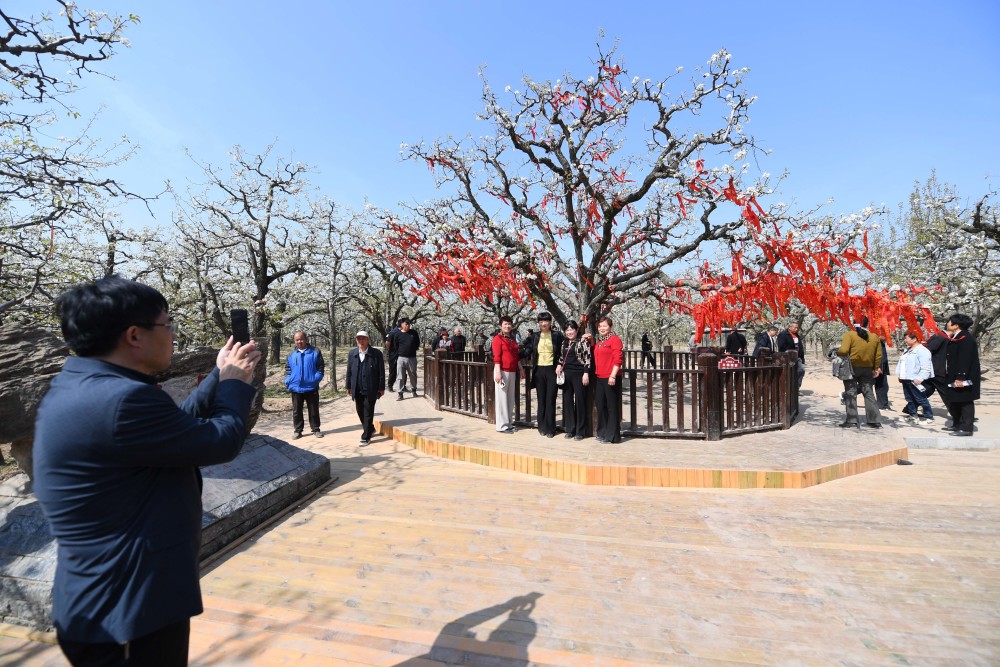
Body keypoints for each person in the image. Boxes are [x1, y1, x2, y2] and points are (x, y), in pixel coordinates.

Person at [33, 276, 260, 666]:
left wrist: (218, 377)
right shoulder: (122, 399)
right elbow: (219, 442)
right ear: (135, 336)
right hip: (128, 606)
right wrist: (236, 385)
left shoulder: (89, 384)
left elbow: (172, 432)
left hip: (110, 594)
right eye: (167, 325)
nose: (172, 336)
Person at [837, 316, 883, 429]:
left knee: (850, 393)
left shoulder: (850, 335)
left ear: (853, 324)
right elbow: (878, 355)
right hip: (867, 369)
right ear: (867, 324)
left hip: (851, 368)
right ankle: (874, 420)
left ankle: (852, 421)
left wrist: (836, 352)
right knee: (868, 393)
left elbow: (843, 350)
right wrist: (875, 368)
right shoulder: (874, 337)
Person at [940, 313, 981, 436]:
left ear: (956, 325)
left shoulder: (966, 339)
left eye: (949, 321)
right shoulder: (957, 337)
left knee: (965, 401)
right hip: (953, 375)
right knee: (955, 400)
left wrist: (960, 377)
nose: (947, 323)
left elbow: (965, 359)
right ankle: (957, 424)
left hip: (964, 376)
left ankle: (967, 428)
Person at [527, 311, 564, 437]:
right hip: (539, 370)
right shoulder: (535, 336)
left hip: (551, 370)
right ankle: (541, 426)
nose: (543, 323)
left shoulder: (557, 335)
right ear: (538, 323)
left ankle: (550, 428)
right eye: (541, 321)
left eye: (546, 321)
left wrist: (559, 364)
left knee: (550, 399)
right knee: (541, 399)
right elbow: (527, 349)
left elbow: (563, 351)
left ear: (550, 322)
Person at [345, 330, 385, 447]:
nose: (361, 341)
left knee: (368, 411)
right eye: (359, 339)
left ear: (368, 340)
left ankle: (366, 436)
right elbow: (349, 372)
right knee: (359, 410)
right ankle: (370, 428)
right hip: (357, 387)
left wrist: (381, 387)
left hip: (371, 387)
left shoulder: (376, 354)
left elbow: (381, 372)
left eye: (363, 338)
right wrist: (349, 386)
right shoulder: (352, 353)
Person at [556, 321, 594, 440]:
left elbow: (588, 359)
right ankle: (570, 429)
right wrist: (559, 365)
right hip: (567, 374)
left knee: (580, 402)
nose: (569, 332)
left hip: (579, 374)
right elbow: (562, 357)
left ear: (576, 330)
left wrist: (586, 373)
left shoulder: (582, 342)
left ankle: (580, 430)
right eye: (567, 330)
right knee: (567, 402)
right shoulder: (564, 342)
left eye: (571, 329)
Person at [284, 331, 325, 439]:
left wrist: (316, 378)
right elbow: (288, 369)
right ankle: (298, 430)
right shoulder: (291, 354)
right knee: (297, 411)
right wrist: (288, 380)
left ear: (306, 339)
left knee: (313, 410)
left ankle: (316, 429)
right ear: (294, 341)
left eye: (301, 339)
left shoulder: (315, 351)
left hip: (311, 387)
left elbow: (320, 367)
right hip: (296, 387)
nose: (299, 342)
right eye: (297, 340)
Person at [593, 316, 624, 443]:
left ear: (610, 327)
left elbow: (618, 359)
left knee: (612, 407)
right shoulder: (599, 342)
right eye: (600, 326)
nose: (602, 328)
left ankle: (612, 435)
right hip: (599, 377)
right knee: (601, 406)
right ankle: (603, 431)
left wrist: (613, 375)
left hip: (611, 377)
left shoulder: (614, 339)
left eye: (605, 326)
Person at [492, 315, 523, 434]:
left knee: (510, 399)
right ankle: (502, 425)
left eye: (509, 324)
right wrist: (498, 372)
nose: (508, 326)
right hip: (502, 371)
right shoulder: (497, 339)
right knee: (502, 399)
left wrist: (520, 368)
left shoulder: (512, 338)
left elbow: (516, 355)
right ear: (501, 325)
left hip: (512, 371)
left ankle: (509, 423)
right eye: (505, 324)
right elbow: (497, 357)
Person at [895, 331, 934, 421]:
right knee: (909, 398)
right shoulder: (907, 350)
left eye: (906, 338)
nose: (905, 340)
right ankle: (913, 415)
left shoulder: (923, 351)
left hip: (915, 378)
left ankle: (929, 416)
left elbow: (926, 367)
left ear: (914, 339)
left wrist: (920, 377)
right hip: (906, 378)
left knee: (920, 398)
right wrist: (901, 375)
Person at [391, 317, 420, 400]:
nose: (408, 326)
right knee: (400, 376)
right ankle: (400, 393)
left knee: (413, 375)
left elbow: (417, 343)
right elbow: (395, 346)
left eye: (409, 324)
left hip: (412, 358)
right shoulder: (397, 334)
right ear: (402, 324)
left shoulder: (414, 333)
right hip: (401, 358)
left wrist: (412, 349)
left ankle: (414, 390)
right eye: (406, 324)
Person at [777, 322, 805, 388]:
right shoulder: (783, 335)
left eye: (797, 327)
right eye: (795, 327)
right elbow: (781, 346)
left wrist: (802, 358)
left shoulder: (797, 335)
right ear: (789, 327)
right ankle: (787, 387)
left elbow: (800, 347)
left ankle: (796, 387)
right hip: (787, 357)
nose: (796, 329)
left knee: (801, 370)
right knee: (788, 373)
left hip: (798, 357)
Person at [384, 319, 402, 398]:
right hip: (394, 355)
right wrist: (392, 350)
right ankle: (390, 385)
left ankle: (403, 386)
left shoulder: (403, 332)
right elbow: (387, 343)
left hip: (401, 355)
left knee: (403, 371)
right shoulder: (393, 333)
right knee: (393, 370)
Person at [874, 335, 892, 410]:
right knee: (865, 385)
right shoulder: (875, 340)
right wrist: (877, 366)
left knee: (883, 385)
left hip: (882, 365)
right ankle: (846, 395)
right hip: (877, 366)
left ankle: (883, 405)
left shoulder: (881, 343)